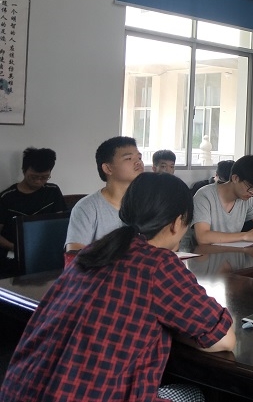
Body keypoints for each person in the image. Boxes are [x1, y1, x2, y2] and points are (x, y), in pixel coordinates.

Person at [0, 172, 235, 402]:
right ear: (177, 222)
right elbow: (224, 339)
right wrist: (175, 328)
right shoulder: (158, 265)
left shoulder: (93, 251)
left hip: (19, 389)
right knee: (196, 394)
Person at [65, 136, 144, 253]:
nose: (138, 162)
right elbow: (73, 255)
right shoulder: (87, 207)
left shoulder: (147, 203)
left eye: (139, 157)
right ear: (107, 168)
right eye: (128, 158)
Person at [192, 155, 253, 245]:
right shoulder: (205, 196)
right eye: (251, 187)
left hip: (231, 254)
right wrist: (246, 235)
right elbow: (202, 237)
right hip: (203, 255)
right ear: (235, 178)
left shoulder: (247, 200)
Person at [0, 147, 67, 276]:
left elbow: (61, 225)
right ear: (24, 170)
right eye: (34, 177)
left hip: (47, 251)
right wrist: (17, 248)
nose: (38, 181)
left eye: (44, 177)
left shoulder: (53, 191)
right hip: (14, 253)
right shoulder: (6, 197)